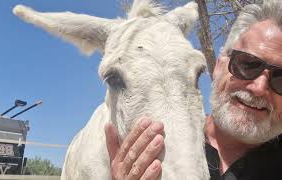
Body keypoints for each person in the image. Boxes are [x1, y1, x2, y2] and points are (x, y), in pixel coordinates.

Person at [104, 0, 282, 179]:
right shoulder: (155, 150)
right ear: (219, 66)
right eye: (248, 64)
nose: (259, 87)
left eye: (281, 78)